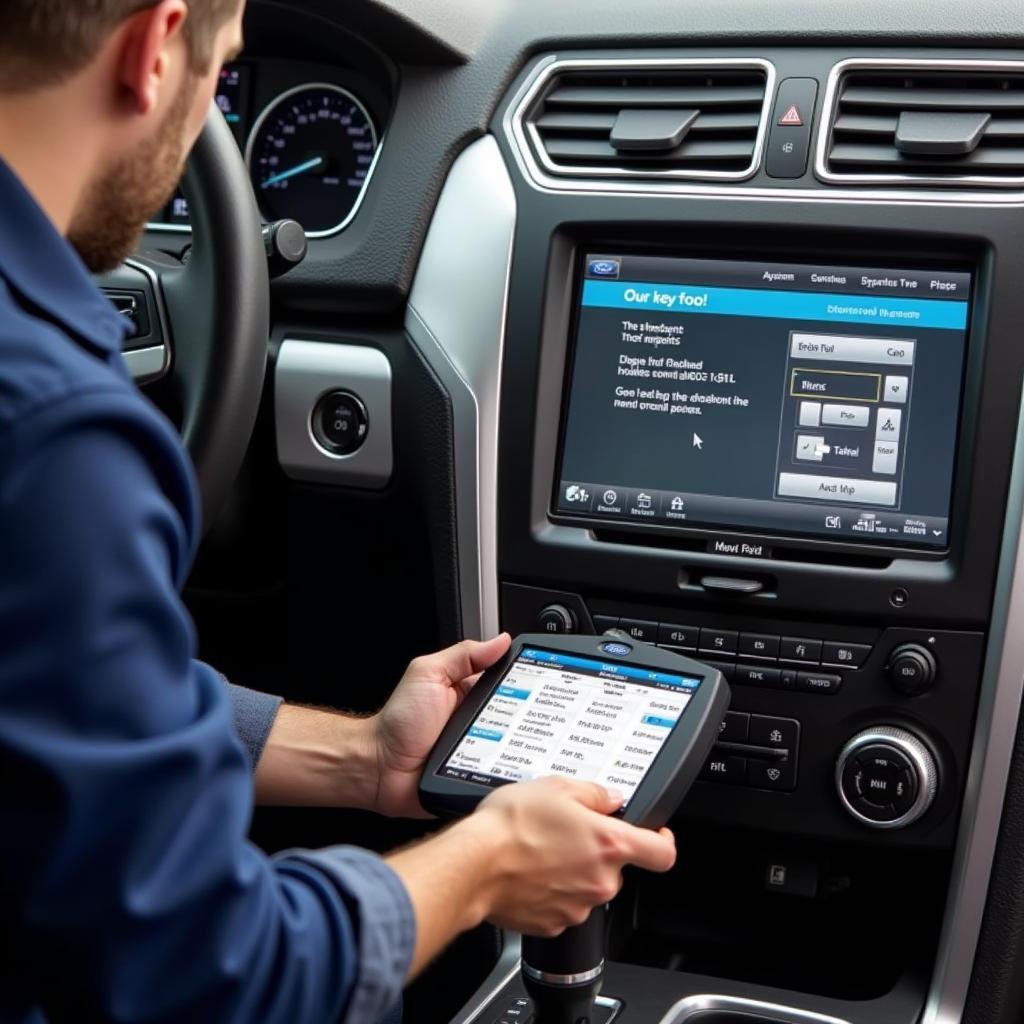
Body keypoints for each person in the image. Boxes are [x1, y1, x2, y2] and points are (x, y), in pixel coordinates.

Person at [0, 1, 678, 1021]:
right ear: (153, 48)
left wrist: (364, 762)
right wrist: (488, 863)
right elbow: (207, 975)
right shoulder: (54, 431)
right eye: (217, 78)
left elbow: (43, 697)